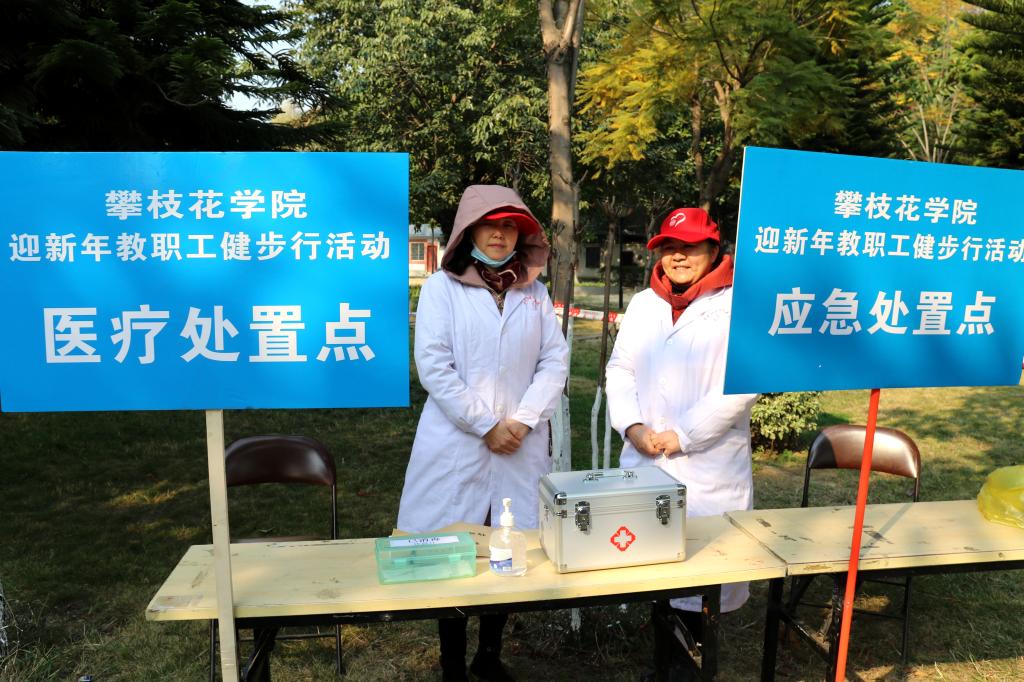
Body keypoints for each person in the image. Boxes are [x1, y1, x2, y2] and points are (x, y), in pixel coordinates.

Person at [397, 184, 569, 682]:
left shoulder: (534, 293)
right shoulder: (441, 288)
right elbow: (434, 366)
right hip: (458, 442)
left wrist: (524, 419)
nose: (499, 233)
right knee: (452, 550)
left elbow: (554, 360)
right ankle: (452, 662)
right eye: (490, 223)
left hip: (519, 441)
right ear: (469, 230)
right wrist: (486, 424)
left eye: (509, 224)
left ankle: (488, 657)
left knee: (510, 545)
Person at [605, 207, 758, 668]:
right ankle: (664, 667)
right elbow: (620, 368)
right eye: (669, 247)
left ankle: (691, 671)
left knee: (700, 583)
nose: (678, 256)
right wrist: (633, 425)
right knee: (653, 575)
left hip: (706, 464)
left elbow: (741, 384)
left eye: (689, 247)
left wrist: (683, 435)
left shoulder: (739, 304)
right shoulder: (643, 304)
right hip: (646, 455)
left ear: (714, 249)